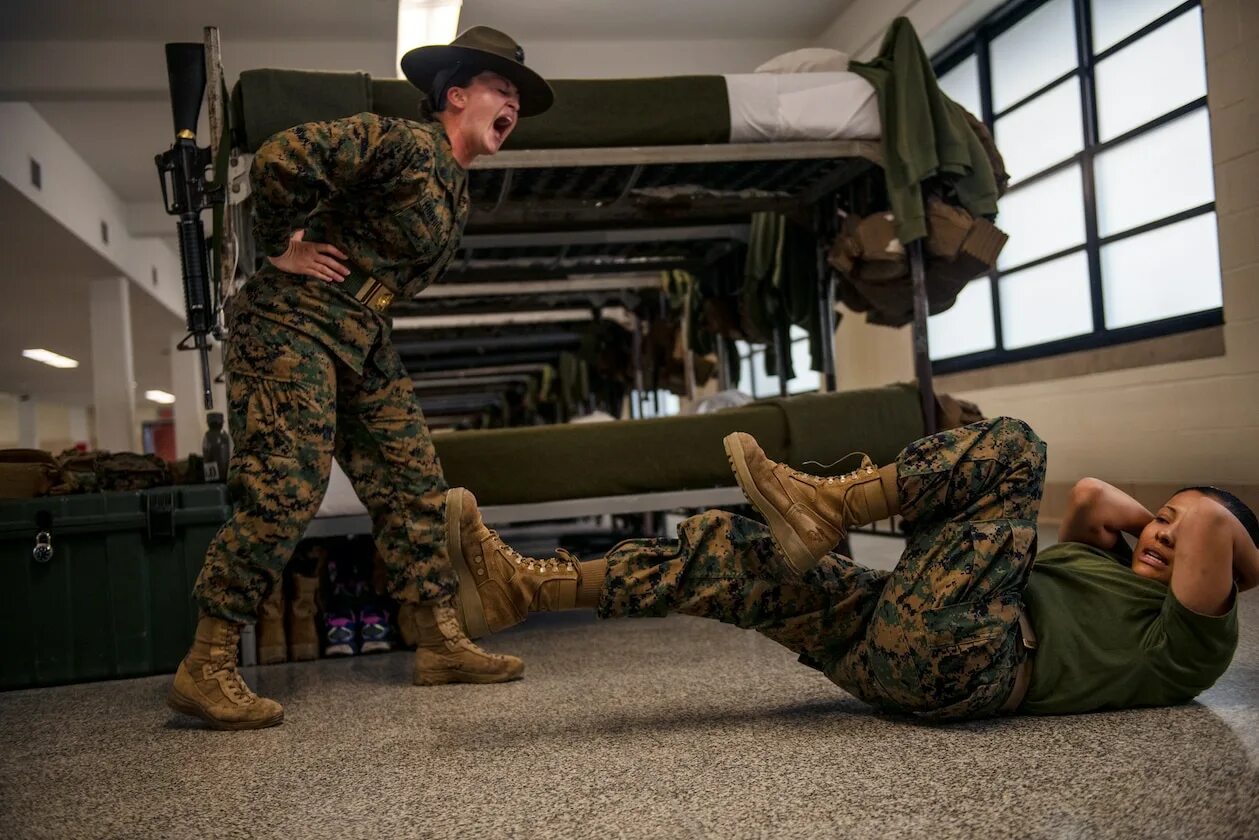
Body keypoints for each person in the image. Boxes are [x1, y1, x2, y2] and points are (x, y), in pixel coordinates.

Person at [166, 27, 555, 731]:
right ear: (456, 94)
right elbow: (287, 158)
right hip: (293, 318)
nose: (512, 106)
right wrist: (285, 244)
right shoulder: (404, 143)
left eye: (518, 100)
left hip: (359, 334)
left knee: (414, 487)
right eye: (501, 91)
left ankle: (438, 642)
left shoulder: (453, 184)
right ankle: (207, 661)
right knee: (287, 484)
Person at [444, 417, 1256, 719]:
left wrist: (1196, 519)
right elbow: (1088, 497)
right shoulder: (1096, 560)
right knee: (738, 553)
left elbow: (1216, 524)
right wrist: (1160, 520)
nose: (1160, 535)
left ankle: (830, 504)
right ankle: (526, 588)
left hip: (974, 663)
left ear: (1220, 570)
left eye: (1178, 541)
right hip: (889, 647)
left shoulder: (1185, 646)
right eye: (1159, 520)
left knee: (1012, 447)